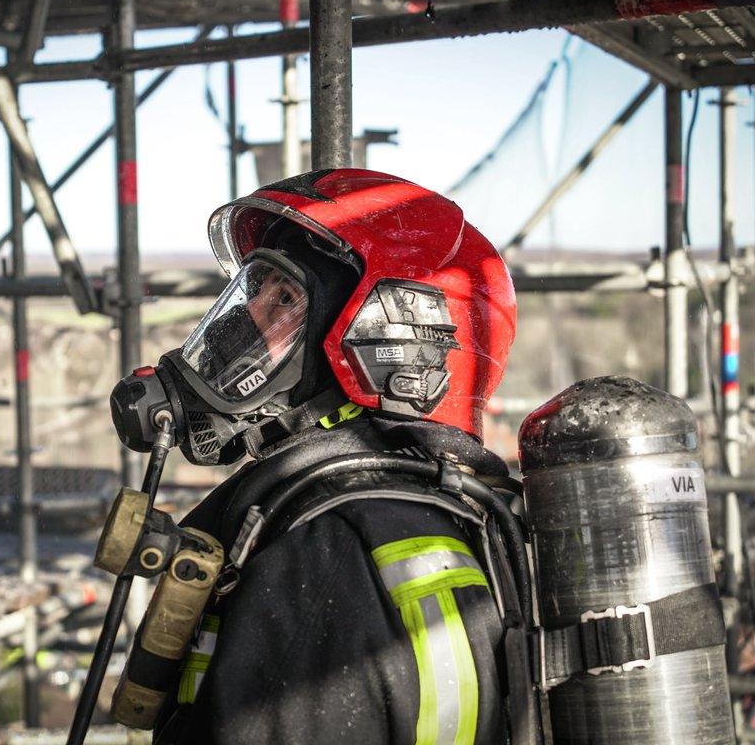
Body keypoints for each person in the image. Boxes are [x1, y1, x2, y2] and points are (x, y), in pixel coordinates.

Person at [109, 168, 521, 744]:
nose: (245, 321)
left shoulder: (328, 546)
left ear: (387, 341)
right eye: (252, 291)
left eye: (283, 299)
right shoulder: (450, 512)